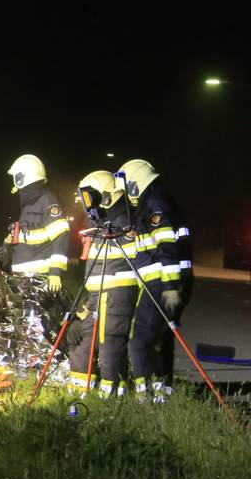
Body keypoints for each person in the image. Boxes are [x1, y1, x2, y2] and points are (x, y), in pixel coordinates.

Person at [118, 159, 194, 402]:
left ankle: (145, 396)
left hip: (163, 283)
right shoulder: (154, 203)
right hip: (168, 282)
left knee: (139, 340)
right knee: (160, 340)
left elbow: (168, 250)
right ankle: (162, 394)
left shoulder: (155, 206)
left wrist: (170, 288)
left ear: (134, 184)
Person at [64, 171, 139, 398]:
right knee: (80, 345)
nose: (86, 206)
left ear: (104, 195)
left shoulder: (125, 224)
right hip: (97, 298)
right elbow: (93, 276)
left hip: (116, 297)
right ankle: (78, 397)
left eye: (88, 198)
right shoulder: (99, 225)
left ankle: (111, 399)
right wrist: (78, 315)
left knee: (110, 348)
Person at [0, 154, 69, 289]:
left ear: (23, 177)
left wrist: (55, 272)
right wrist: (7, 248)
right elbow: (28, 240)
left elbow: (61, 235)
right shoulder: (27, 204)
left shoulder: (46, 200)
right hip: (21, 277)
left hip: (39, 278)